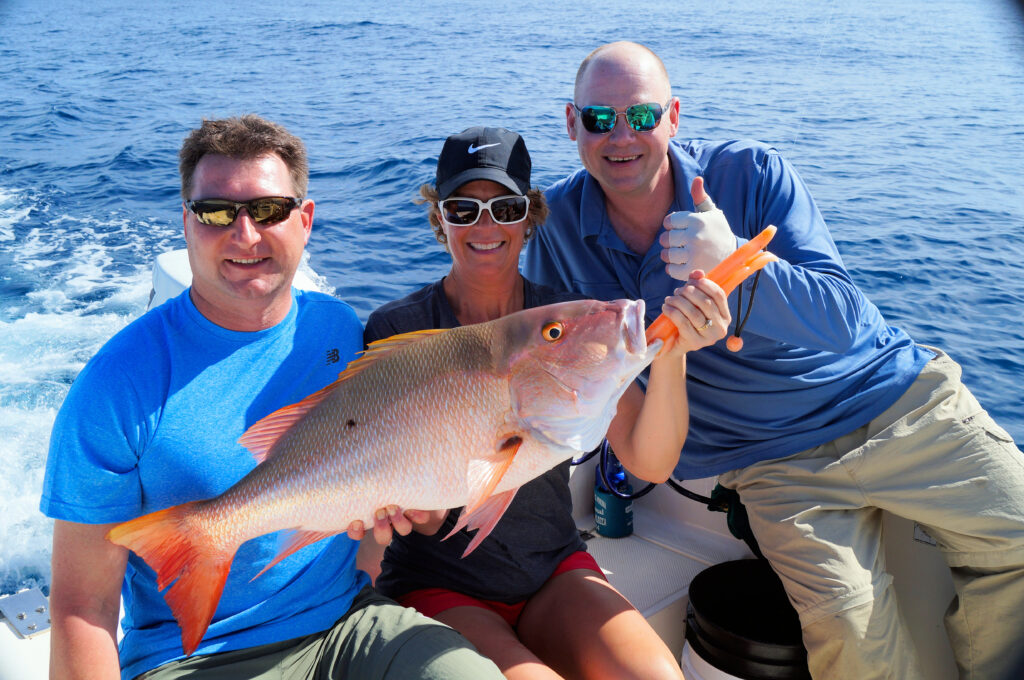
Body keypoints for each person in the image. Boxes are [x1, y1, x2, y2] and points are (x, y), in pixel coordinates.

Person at [523, 40, 1024, 680]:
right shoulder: (557, 228)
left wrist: (738, 259)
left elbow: (848, 320)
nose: (622, 136)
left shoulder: (751, 174)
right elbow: (547, 353)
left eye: (642, 116)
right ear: (572, 124)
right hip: (770, 460)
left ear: (673, 116)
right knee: (850, 628)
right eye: (600, 119)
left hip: (893, 400)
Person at [39, 114, 503, 680]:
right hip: (194, 658)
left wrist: (418, 506)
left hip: (347, 622)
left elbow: (380, 484)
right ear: (185, 223)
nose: (244, 234)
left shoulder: (337, 330)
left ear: (304, 221)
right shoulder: (115, 385)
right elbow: (81, 609)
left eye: (267, 210)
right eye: (215, 212)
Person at [359, 126, 730, 680]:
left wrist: (671, 350)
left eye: (505, 208)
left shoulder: (569, 322)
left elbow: (649, 463)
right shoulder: (400, 330)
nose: (485, 226)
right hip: (439, 583)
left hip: (554, 568)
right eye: (463, 210)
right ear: (439, 219)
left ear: (530, 216)